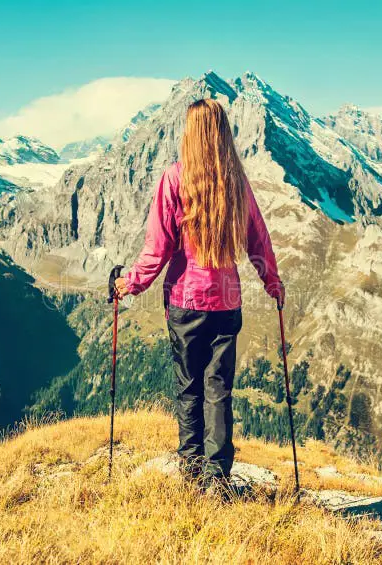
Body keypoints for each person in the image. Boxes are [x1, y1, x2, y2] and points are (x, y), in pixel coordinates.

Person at [113, 98, 284, 489]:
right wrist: (272, 283)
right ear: (223, 133)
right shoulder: (236, 182)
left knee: (188, 385)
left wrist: (130, 284)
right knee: (218, 390)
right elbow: (259, 239)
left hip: (185, 302)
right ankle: (217, 478)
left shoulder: (174, 180)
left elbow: (157, 250)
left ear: (190, 134)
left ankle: (191, 471)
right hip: (226, 302)